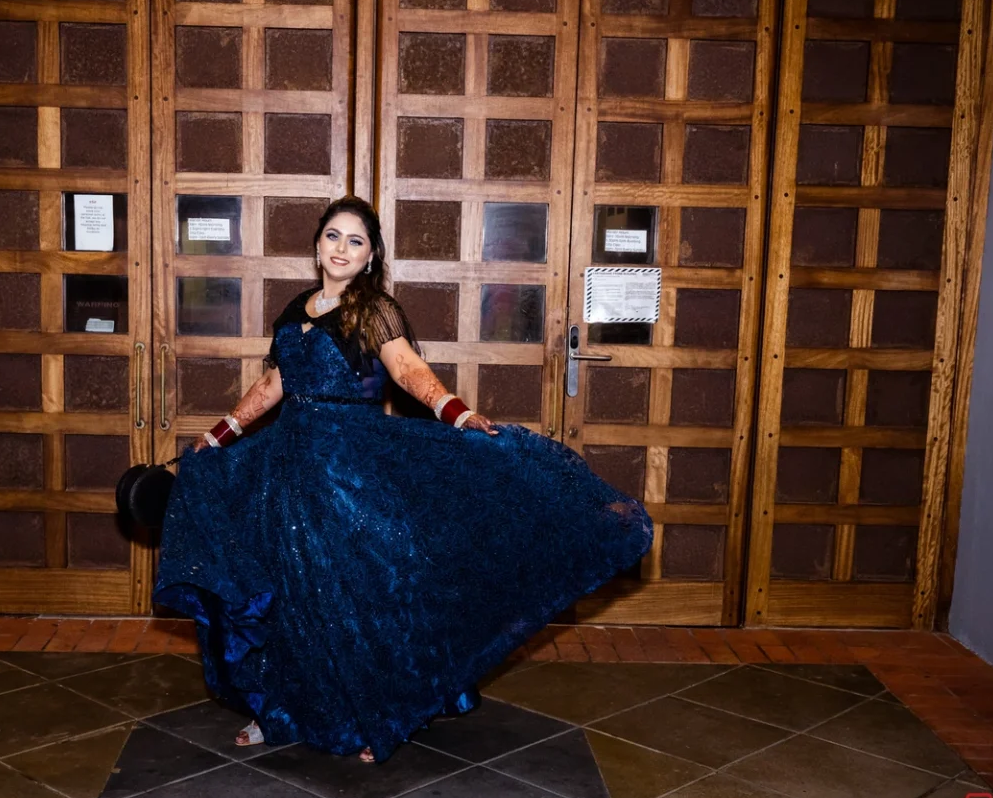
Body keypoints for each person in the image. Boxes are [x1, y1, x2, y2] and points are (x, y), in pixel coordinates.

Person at [153, 196, 653, 763]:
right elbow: (272, 386)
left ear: (369, 257)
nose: (341, 248)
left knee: (357, 597)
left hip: (350, 472)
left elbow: (409, 371)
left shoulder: (376, 310)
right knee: (288, 595)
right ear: (317, 244)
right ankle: (279, 710)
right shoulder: (295, 310)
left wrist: (458, 413)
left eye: (355, 241)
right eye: (334, 236)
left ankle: (376, 714)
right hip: (286, 473)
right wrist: (218, 436)